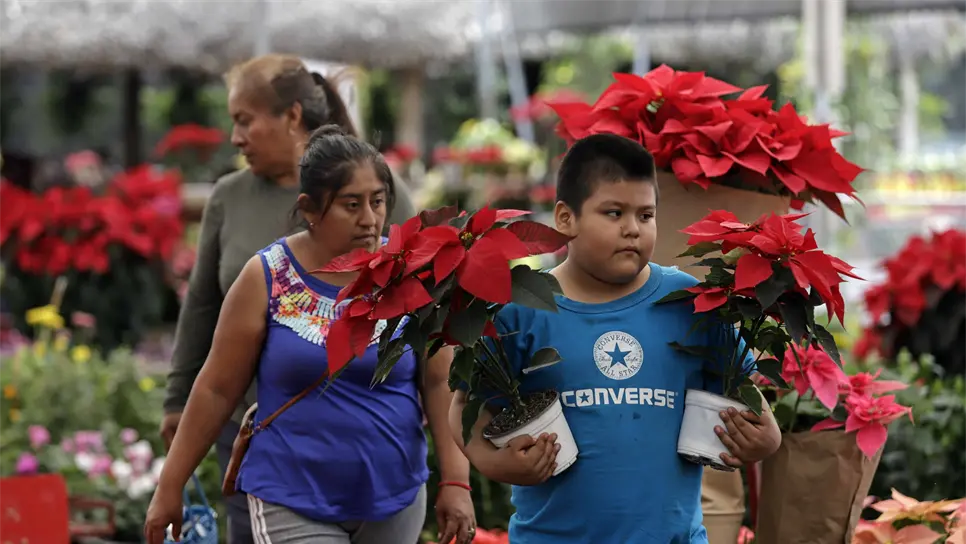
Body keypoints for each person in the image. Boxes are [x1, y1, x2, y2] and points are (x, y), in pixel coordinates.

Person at [147, 125, 476, 544]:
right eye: (351, 205)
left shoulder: (411, 272)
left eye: (377, 202)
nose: (370, 219)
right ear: (309, 209)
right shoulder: (266, 277)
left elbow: (438, 378)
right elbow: (215, 388)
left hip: (395, 498)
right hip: (290, 496)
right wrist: (170, 485)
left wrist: (457, 482)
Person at [448, 133, 781, 543]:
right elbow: (464, 409)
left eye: (646, 215)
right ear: (565, 218)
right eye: (613, 213)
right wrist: (497, 465)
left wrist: (766, 437)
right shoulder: (523, 311)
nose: (632, 230)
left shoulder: (689, 301)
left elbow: (747, 396)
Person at [159, 54, 417, 543]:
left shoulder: (371, 185)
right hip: (259, 437)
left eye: (244, 121)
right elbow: (201, 306)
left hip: (372, 451)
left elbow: (423, 292)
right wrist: (177, 400)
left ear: (292, 116)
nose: (236, 137)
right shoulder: (229, 197)